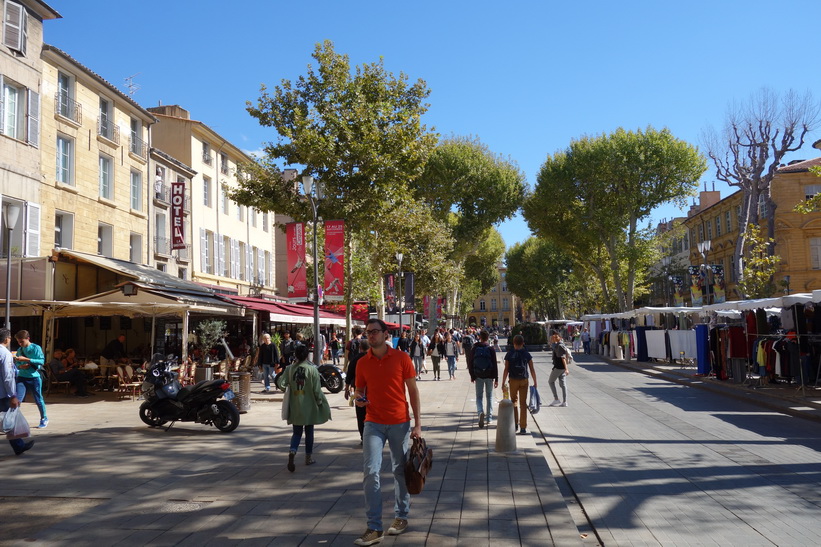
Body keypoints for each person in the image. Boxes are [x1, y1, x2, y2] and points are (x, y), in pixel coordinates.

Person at [353, 318, 421, 546]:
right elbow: (359, 390)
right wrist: (359, 399)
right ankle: (374, 527)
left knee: (399, 470)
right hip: (372, 423)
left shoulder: (402, 358)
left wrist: (417, 424)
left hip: (399, 422)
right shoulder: (363, 363)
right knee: (370, 472)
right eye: (367, 332)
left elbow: (413, 391)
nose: (370, 336)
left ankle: (401, 516)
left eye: (374, 332)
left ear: (384, 334)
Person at [283, 343, 330, 471]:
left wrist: (290, 389)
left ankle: (293, 451)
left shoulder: (290, 369)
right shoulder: (312, 369)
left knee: (296, 433)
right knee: (309, 432)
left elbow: (281, 383)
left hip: (295, 405)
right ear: (307, 355)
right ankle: (308, 457)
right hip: (309, 406)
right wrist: (320, 402)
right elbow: (316, 390)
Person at [0, 328, 34, 455]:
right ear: (6, 339)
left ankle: (19, 445)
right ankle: (19, 446)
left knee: (8, 420)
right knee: (9, 420)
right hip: (3, 393)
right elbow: (7, 377)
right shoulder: (5, 354)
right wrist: (13, 395)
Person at [501, 334, 537, 435]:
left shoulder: (509, 354)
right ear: (523, 343)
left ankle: (515, 423)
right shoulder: (526, 354)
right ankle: (523, 427)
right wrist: (535, 381)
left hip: (513, 380)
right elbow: (532, 369)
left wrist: (503, 383)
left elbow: (506, 369)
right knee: (523, 403)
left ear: (514, 343)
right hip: (524, 380)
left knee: (513, 402)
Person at [14, 330, 47, 428]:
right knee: (18, 400)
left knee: (38, 399)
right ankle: (14, 421)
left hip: (34, 377)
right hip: (22, 377)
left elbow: (41, 361)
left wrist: (27, 360)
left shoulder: (36, 348)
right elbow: (17, 363)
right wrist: (20, 366)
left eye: (22, 341)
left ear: (28, 339)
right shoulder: (20, 349)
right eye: (19, 342)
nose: (20, 344)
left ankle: (44, 418)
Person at [467, 330, 498, 428]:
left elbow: (470, 362)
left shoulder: (475, 348)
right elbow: (495, 364)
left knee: (479, 397)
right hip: (489, 375)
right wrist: (496, 378)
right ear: (488, 337)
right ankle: (489, 418)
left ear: (479, 337)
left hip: (478, 375)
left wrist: (472, 375)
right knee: (489, 396)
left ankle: (480, 412)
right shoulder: (491, 349)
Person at [344, 338, 370, 446]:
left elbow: (349, 374)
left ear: (360, 348)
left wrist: (346, 389)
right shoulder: (372, 358)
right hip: (371, 390)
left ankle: (363, 436)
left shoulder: (355, 359)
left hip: (359, 389)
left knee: (360, 414)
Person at [548, 331, 570, 407]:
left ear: (560, 338)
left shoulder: (559, 346)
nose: (555, 338)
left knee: (551, 381)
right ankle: (565, 401)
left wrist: (566, 368)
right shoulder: (558, 345)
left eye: (556, 337)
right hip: (562, 368)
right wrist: (552, 339)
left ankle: (556, 399)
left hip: (558, 367)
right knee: (563, 385)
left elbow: (563, 358)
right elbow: (551, 345)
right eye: (554, 337)